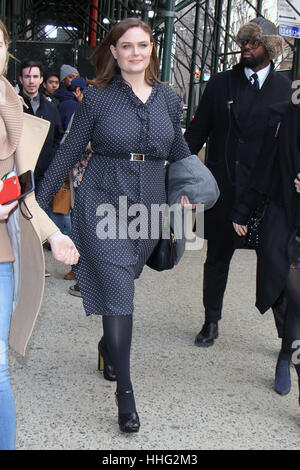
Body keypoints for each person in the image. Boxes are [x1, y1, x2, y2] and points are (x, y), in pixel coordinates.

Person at [36, 17, 199, 433]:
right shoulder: (97, 97)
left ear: (151, 51)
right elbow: (70, 150)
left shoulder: (168, 98)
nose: (135, 53)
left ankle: (109, 346)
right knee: (119, 291)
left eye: (142, 45)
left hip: (149, 210)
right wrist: (34, 205)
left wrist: (191, 191)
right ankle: (125, 397)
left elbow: (179, 151)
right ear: (113, 52)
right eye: (126, 46)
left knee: (122, 287)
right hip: (102, 201)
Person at [184, 17, 291, 347]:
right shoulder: (219, 84)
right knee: (216, 259)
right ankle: (211, 321)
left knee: (275, 264)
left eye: (254, 43)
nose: (245, 47)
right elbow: (197, 134)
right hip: (223, 192)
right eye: (243, 41)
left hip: (267, 197)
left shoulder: (285, 89)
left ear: (270, 49)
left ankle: (286, 337)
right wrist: (180, 177)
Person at [0, 20, 80, 450]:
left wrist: (53, 235)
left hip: (3, 257)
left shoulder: (15, 107)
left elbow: (21, 191)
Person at [232, 96, 300, 407]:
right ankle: (288, 340)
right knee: (278, 283)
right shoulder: (281, 116)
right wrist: (242, 210)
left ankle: (286, 354)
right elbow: (262, 165)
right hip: (280, 213)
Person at [19, 60, 71, 241]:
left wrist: (52, 162)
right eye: (27, 76)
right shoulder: (14, 106)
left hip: (42, 174)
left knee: (39, 214)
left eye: (35, 76)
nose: (31, 81)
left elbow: (58, 137)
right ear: (20, 79)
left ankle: (37, 261)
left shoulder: (50, 108)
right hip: (17, 173)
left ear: (41, 80)